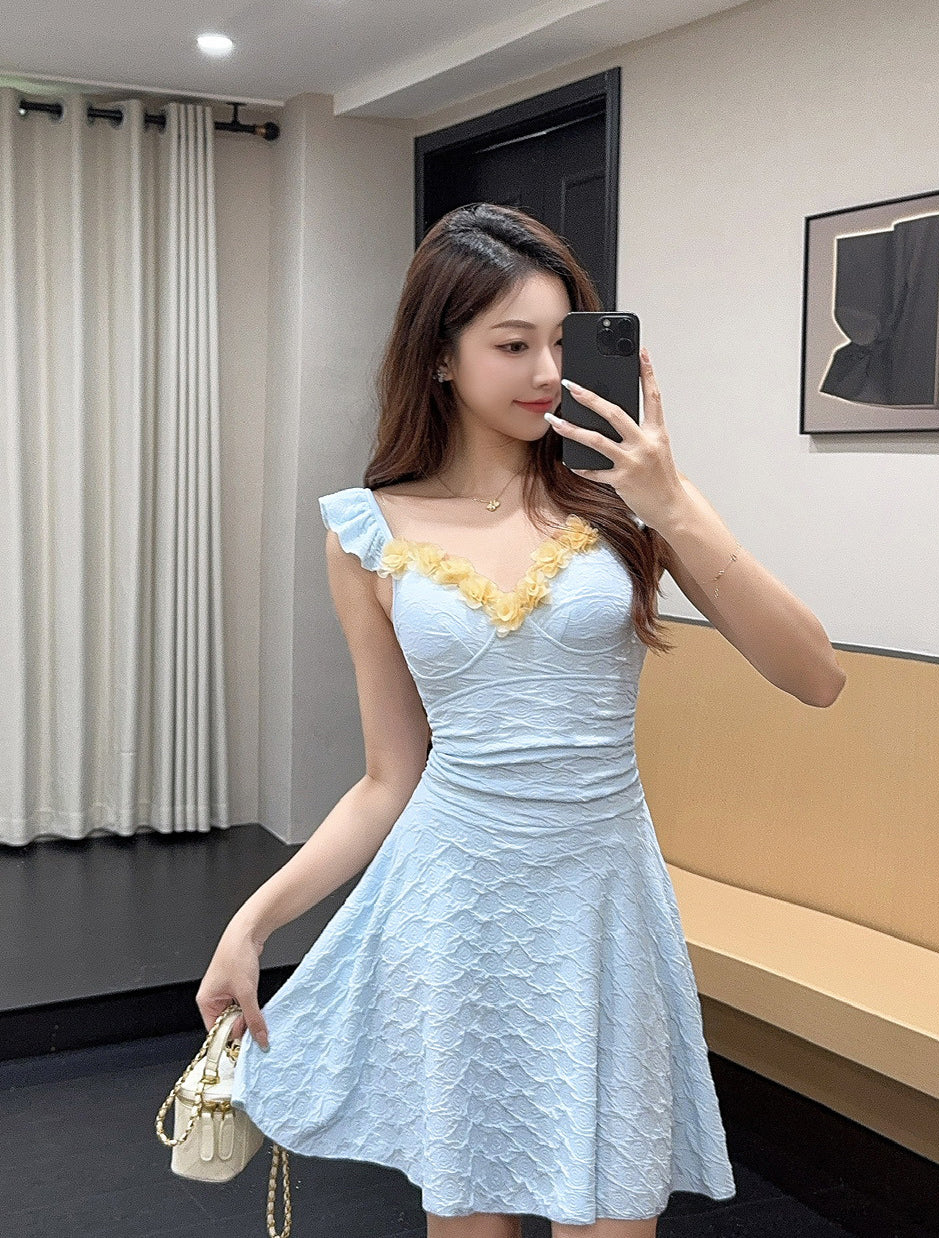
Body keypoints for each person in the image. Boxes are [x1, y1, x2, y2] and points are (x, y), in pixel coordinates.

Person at [196, 202, 846, 1238]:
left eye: (560, 341)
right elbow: (389, 778)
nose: (547, 371)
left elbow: (814, 674)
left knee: (613, 1212)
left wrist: (674, 502)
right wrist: (253, 921)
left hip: (602, 910)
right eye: (512, 345)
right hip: (454, 911)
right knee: (470, 1217)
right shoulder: (368, 532)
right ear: (440, 355)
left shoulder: (628, 500)